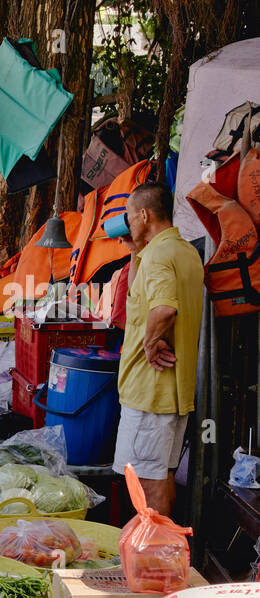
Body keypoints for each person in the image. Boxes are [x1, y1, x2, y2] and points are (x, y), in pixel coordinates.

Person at [112, 180, 204, 517]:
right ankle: (157, 558)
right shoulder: (182, 251)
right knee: (160, 477)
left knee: (145, 485)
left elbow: (164, 308)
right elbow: (143, 294)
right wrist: (135, 249)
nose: (129, 222)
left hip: (150, 391)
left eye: (130, 216)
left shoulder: (160, 257)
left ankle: (152, 561)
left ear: (145, 215)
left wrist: (150, 344)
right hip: (170, 392)